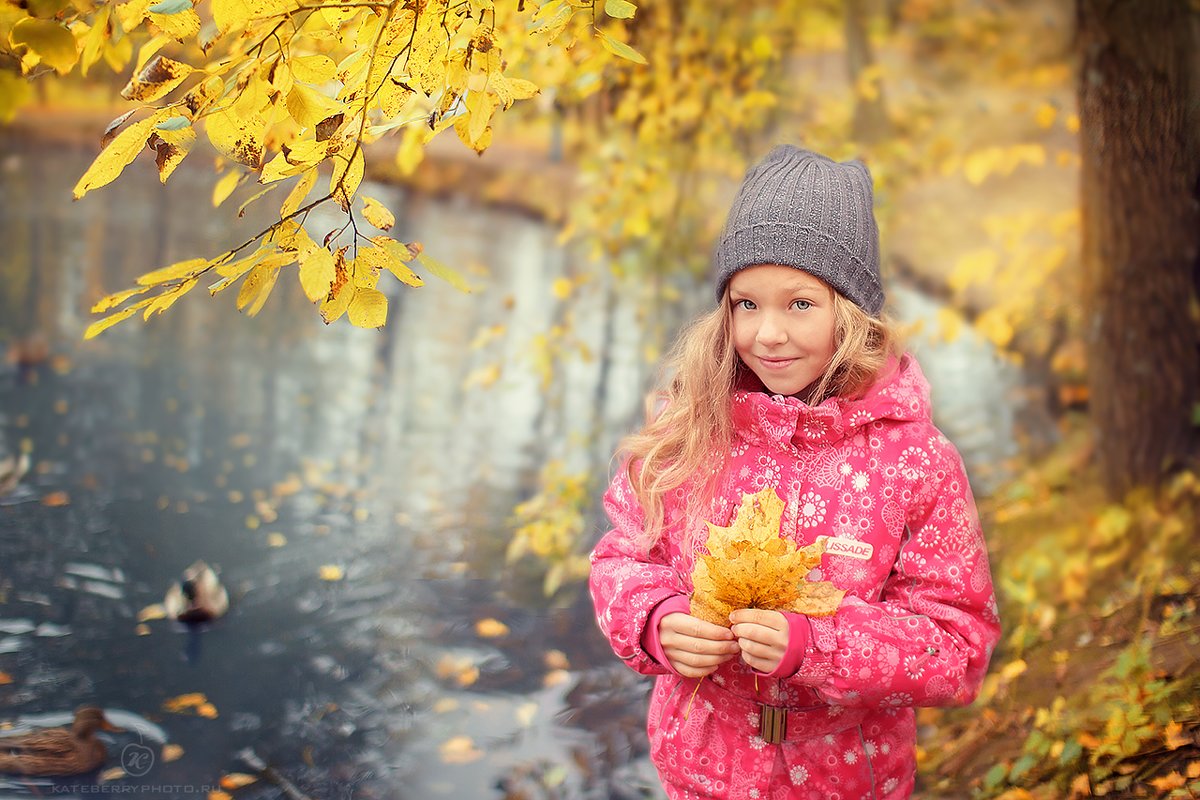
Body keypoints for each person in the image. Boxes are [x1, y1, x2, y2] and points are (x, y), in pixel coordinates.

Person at [589, 145, 1000, 799]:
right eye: (746, 304)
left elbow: (957, 645)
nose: (768, 334)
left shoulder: (914, 461)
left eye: (799, 304)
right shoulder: (687, 429)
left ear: (851, 311)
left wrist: (819, 646)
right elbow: (620, 559)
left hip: (846, 780)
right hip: (701, 773)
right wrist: (653, 620)